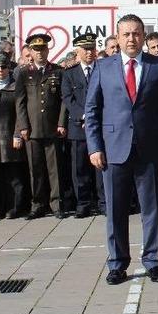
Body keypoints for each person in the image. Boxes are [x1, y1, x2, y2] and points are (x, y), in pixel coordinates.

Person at [85, 14, 158, 285]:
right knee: (115, 211)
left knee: (152, 210)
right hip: (113, 150)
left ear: (143, 35)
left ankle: (152, 261)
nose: (131, 38)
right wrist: (94, 147)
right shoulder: (103, 67)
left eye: (136, 33)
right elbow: (92, 111)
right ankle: (117, 263)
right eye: (126, 34)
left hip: (150, 150)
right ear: (117, 37)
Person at [15, 33, 67, 219]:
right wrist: (23, 126)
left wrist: (62, 123)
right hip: (32, 129)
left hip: (53, 128)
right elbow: (20, 102)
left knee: (54, 169)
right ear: (30, 51)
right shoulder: (23, 72)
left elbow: (63, 101)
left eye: (42, 49)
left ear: (47, 50)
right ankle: (37, 204)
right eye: (36, 50)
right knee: (35, 170)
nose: (40, 53)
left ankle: (56, 204)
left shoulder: (58, 71)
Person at [62, 33, 105, 218]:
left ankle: (104, 203)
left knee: (101, 167)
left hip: (101, 126)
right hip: (78, 127)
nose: (89, 53)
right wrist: (84, 116)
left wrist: (94, 117)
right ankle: (83, 203)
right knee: (79, 168)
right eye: (86, 49)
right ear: (77, 51)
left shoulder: (103, 69)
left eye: (92, 49)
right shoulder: (69, 74)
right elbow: (68, 99)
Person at [0, 53, 29, 219]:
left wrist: (18, 134)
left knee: (15, 177)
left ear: (9, 68)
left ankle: (15, 207)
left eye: (3, 67)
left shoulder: (16, 87)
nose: (0, 70)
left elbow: (21, 113)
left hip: (11, 139)